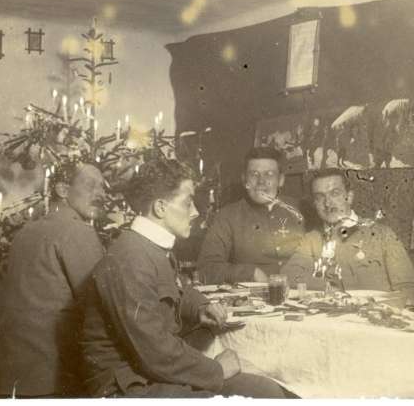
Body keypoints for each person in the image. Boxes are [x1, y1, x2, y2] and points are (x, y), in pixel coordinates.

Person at [79, 159, 285, 398]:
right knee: (264, 394)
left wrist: (200, 307)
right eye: (188, 203)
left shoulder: (149, 246)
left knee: (265, 389)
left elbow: (174, 288)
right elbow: (155, 352)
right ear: (160, 208)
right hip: (130, 387)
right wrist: (216, 370)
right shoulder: (130, 258)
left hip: (151, 374)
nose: (195, 212)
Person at [0, 162, 107, 397]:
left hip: (12, 378)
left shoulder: (24, 233)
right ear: (63, 190)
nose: (101, 194)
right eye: (91, 186)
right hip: (56, 379)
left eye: (103, 187)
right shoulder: (78, 231)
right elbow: (101, 304)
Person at [281, 167, 414, 304]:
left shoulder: (382, 235)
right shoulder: (312, 239)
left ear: (349, 197)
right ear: (315, 203)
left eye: (335, 193)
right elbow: (288, 276)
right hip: (333, 315)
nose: (328, 203)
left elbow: (409, 288)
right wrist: (331, 290)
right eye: (320, 197)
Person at [197, 147, 304, 284]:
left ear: (281, 180)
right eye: (254, 174)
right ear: (244, 180)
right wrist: (249, 273)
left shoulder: (301, 210)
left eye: (269, 174)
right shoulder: (227, 216)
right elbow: (206, 269)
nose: (261, 181)